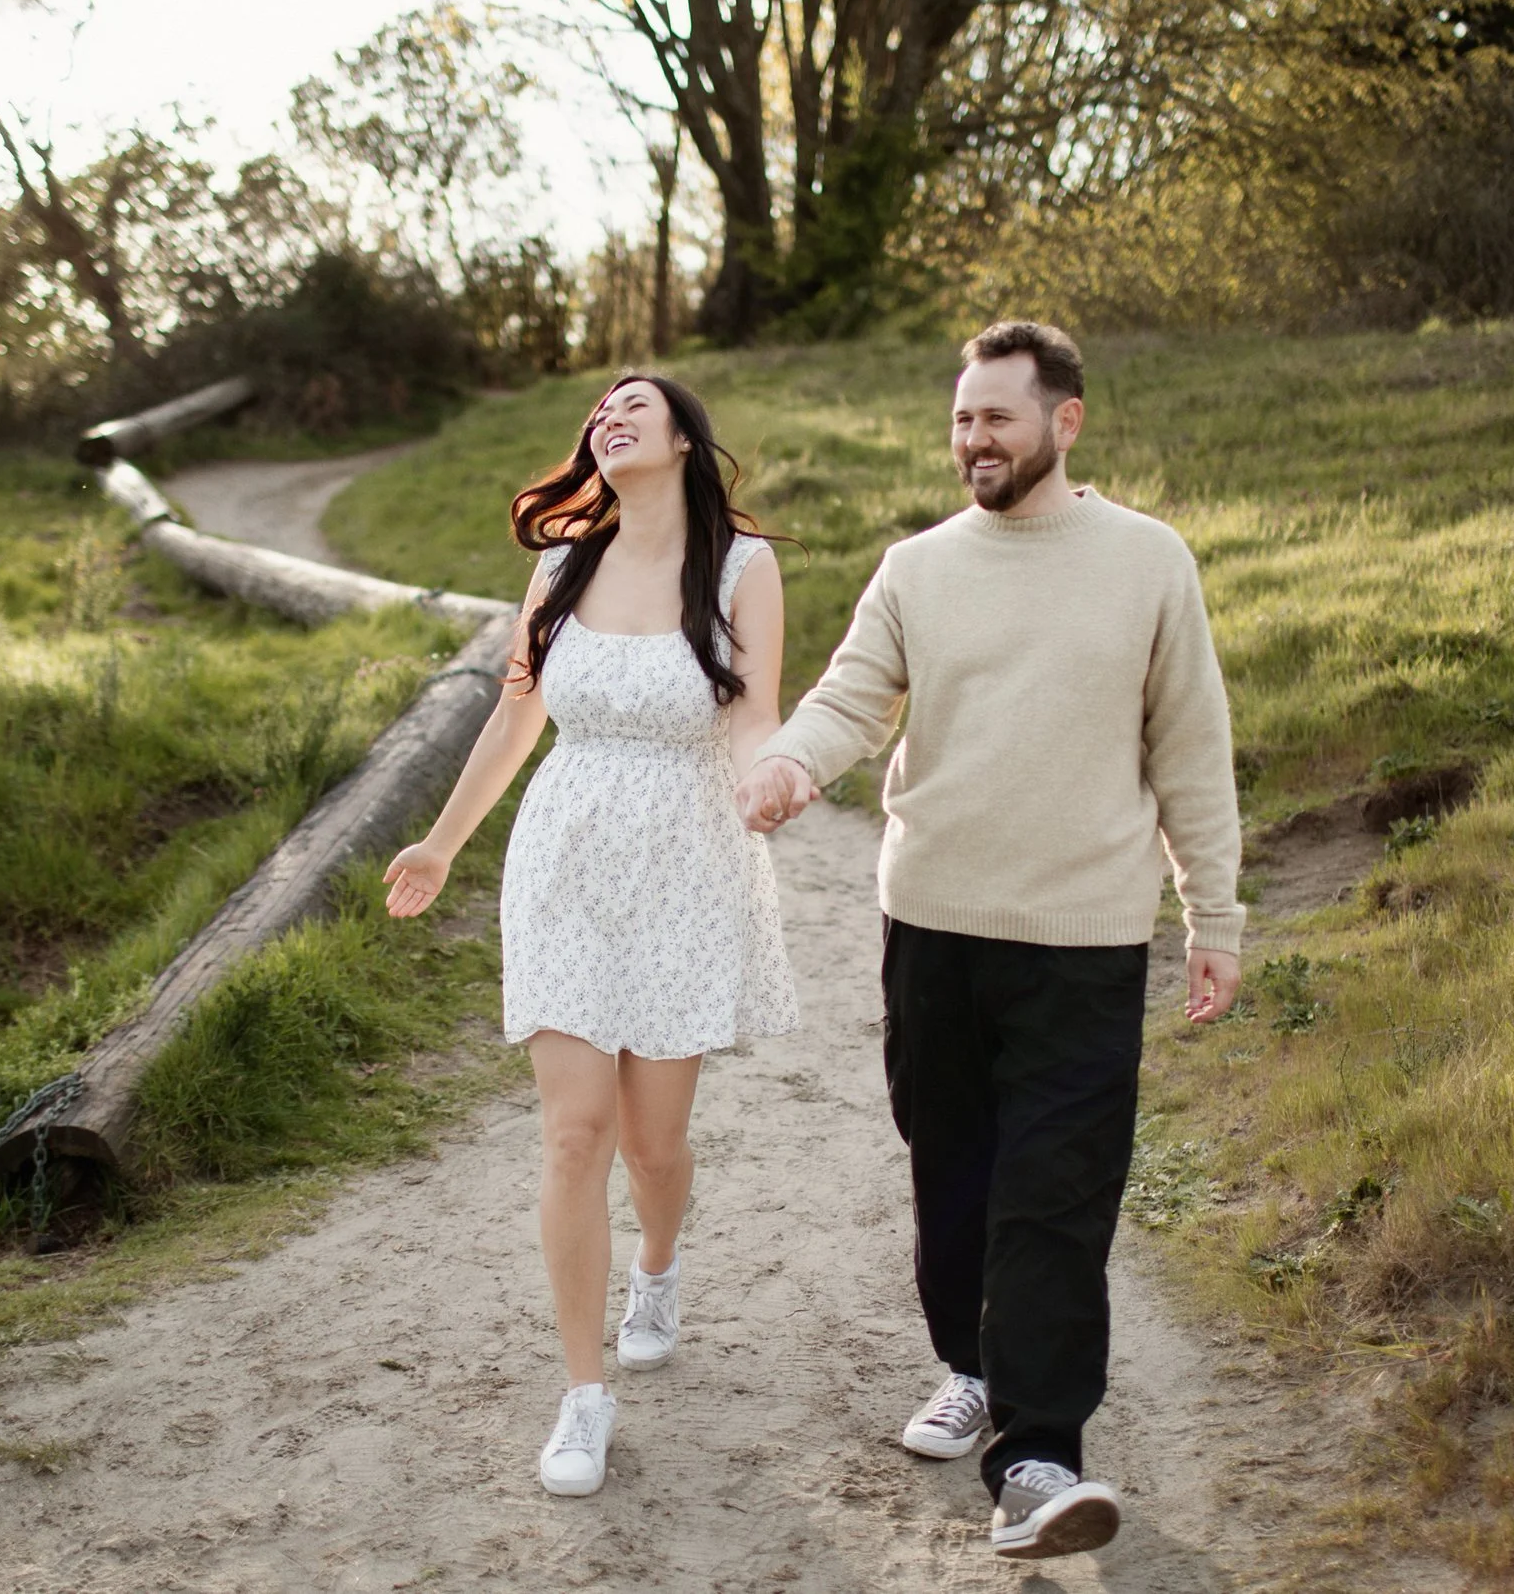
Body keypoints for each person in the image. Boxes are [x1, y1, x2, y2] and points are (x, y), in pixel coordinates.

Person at [735, 321, 1244, 1559]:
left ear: (1065, 421)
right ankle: (970, 1364)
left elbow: (1190, 744)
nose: (974, 439)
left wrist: (1212, 915)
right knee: (952, 1169)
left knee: (1055, 1192)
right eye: (962, 418)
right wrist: (793, 763)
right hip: (934, 928)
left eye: (997, 418)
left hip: (1084, 936)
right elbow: (852, 694)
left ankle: (1038, 1454)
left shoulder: (1147, 560)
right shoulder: (918, 566)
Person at [384, 374, 797, 1499]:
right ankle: (583, 1395)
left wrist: (768, 777)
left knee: (654, 1144)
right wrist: (442, 843)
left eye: (635, 407)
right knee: (575, 1134)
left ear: (684, 439)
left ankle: (656, 1267)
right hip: (562, 861)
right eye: (600, 411)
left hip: (684, 863)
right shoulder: (562, 564)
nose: (610, 419)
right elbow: (516, 711)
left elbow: (753, 712)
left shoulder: (742, 569)